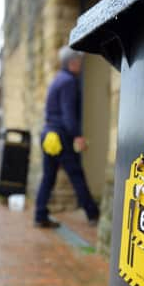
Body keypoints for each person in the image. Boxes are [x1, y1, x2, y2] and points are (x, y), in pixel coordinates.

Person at [34, 46, 99, 228]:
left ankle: (39, 215)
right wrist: (77, 135)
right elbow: (68, 114)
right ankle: (93, 213)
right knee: (76, 175)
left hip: (48, 135)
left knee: (48, 177)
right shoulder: (69, 81)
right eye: (79, 61)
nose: (81, 64)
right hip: (60, 136)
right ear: (72, 63)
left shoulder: (58, 79)